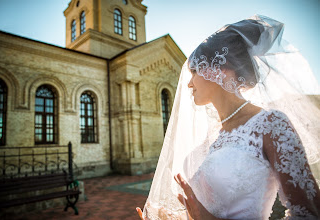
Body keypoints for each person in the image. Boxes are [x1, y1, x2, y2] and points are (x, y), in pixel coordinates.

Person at [137, 15, 320, 219]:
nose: (189, 83)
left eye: (195, 71)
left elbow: (310, 213)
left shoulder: (271, 124)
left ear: (221, 69)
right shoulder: (213, 133)